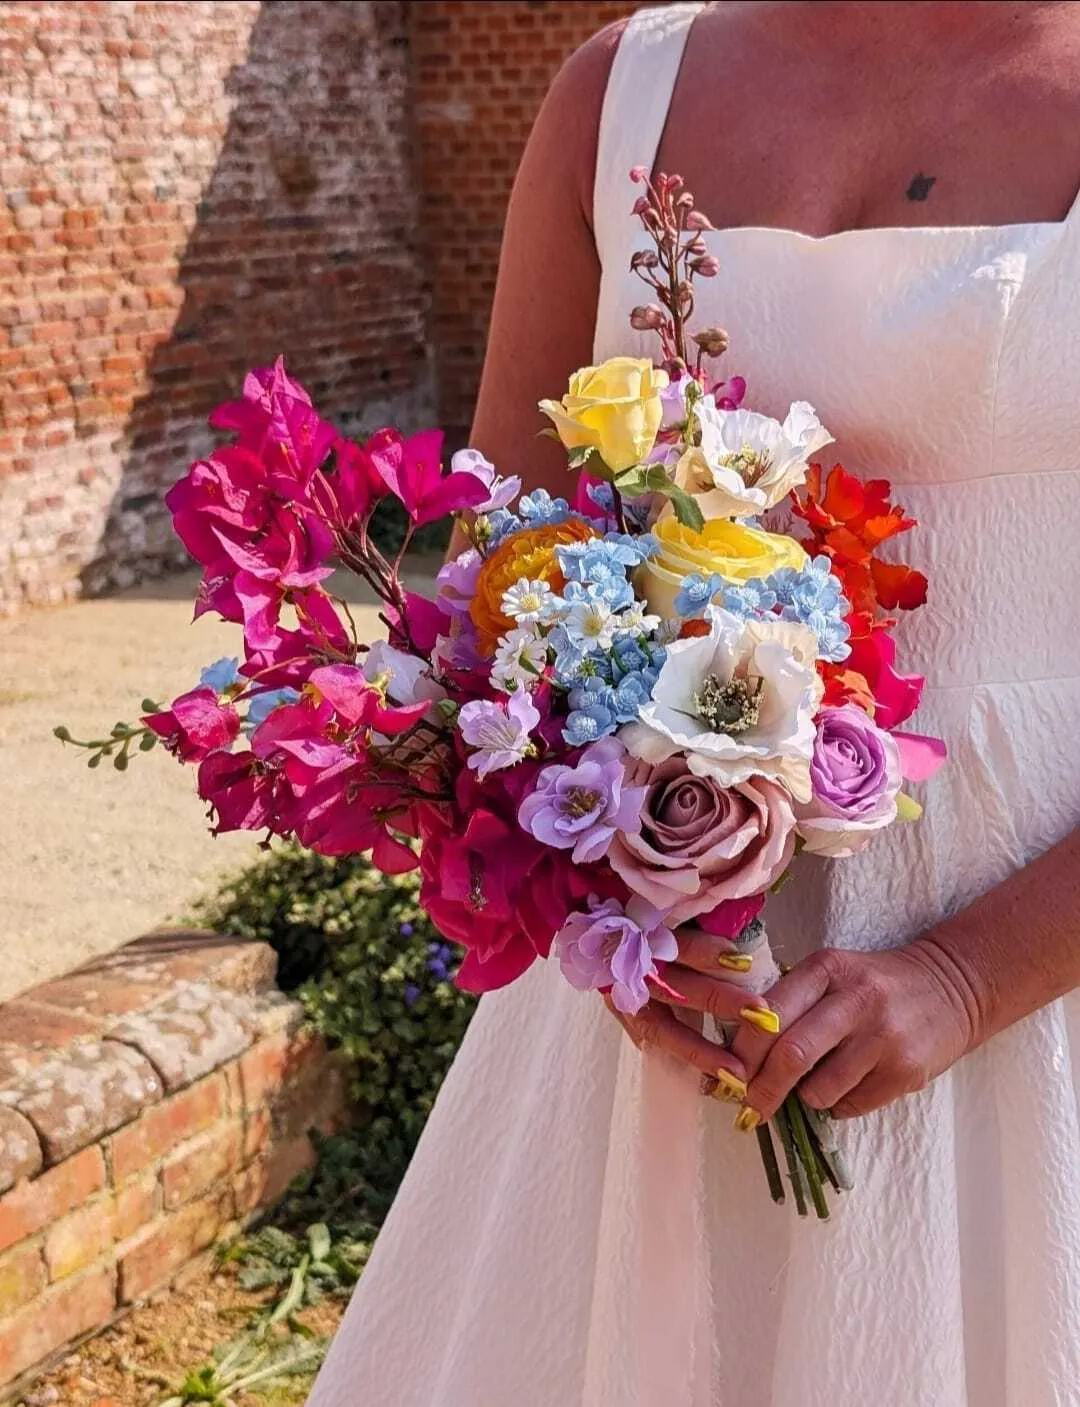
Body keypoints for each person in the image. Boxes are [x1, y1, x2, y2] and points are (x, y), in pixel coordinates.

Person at [309, 4, 1080, 1403]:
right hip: (672, 994)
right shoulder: (619, 93)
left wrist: (970, 975)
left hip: (1040, 974)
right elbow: (504, 559)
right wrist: (592, 890)